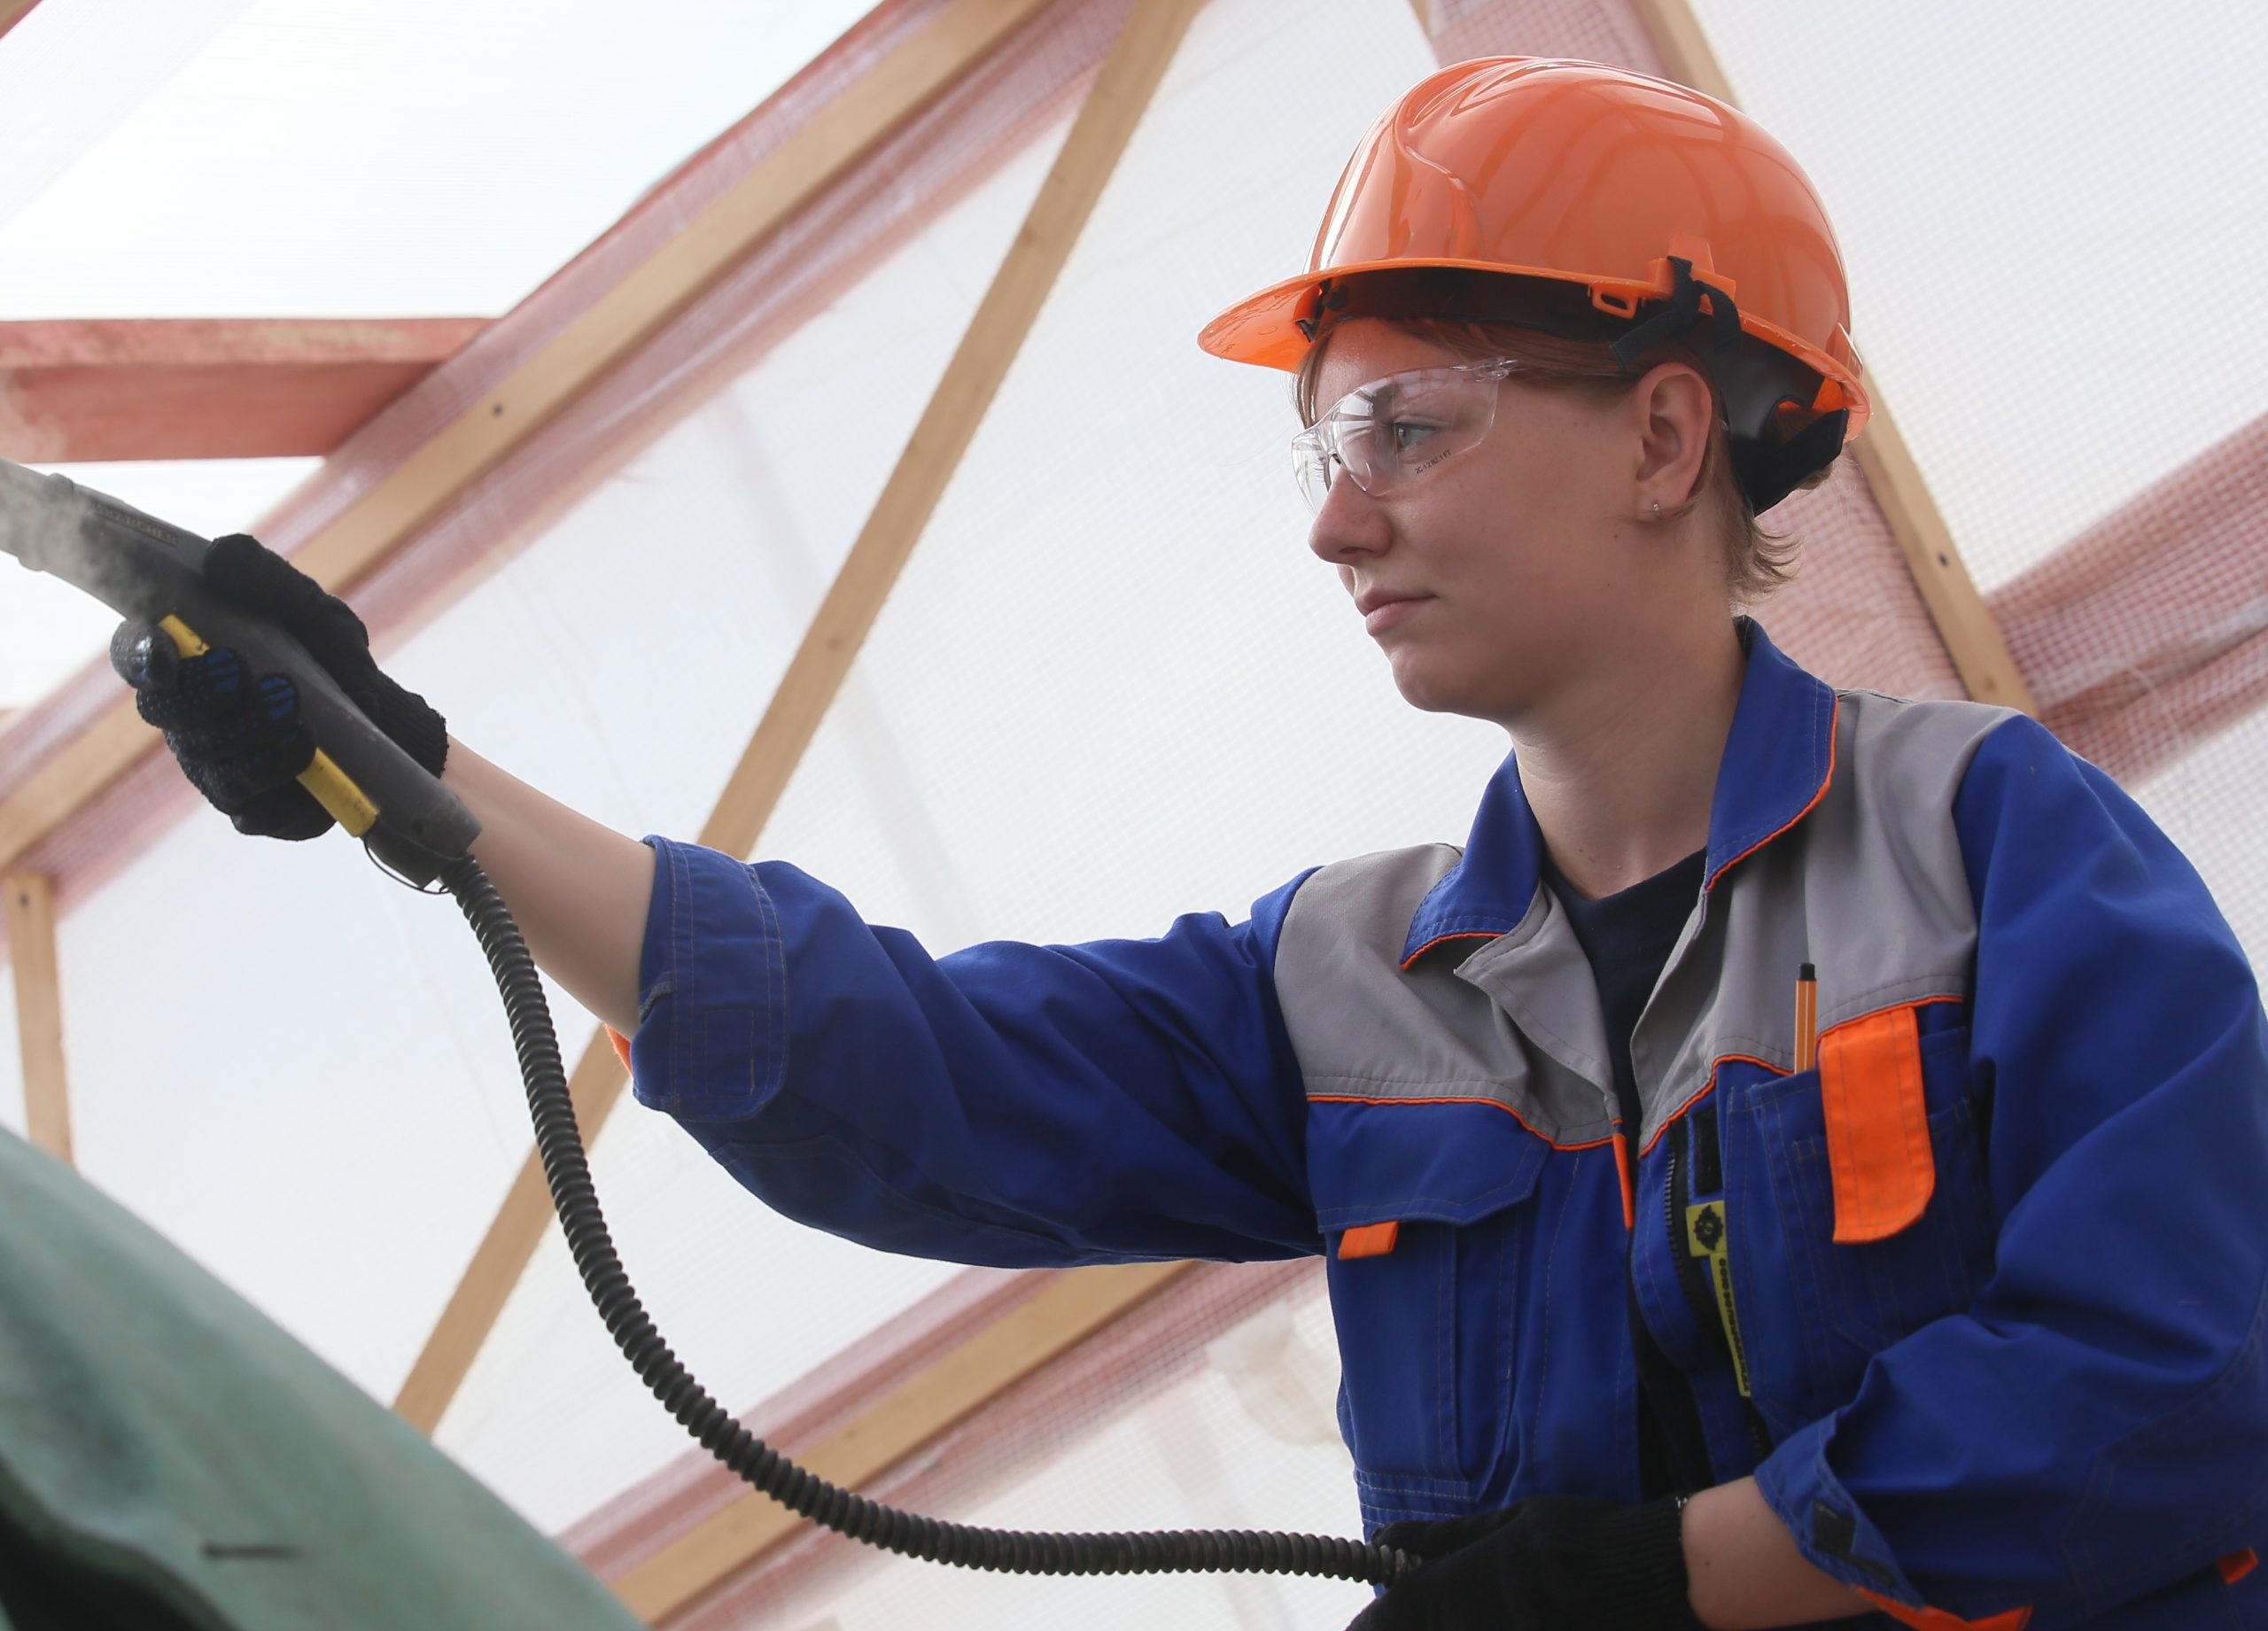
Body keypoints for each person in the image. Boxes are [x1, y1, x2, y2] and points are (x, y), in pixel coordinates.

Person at [119, 57, 2268, 1631]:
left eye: (1403, 429)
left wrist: (1661, 1589)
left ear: (1664, 431)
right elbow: (905, 1079)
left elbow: (2178, 1374)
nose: (1335, 515)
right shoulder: (1337, 986)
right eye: (1317, 447)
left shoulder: (1989, 849)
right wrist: (400, 769)